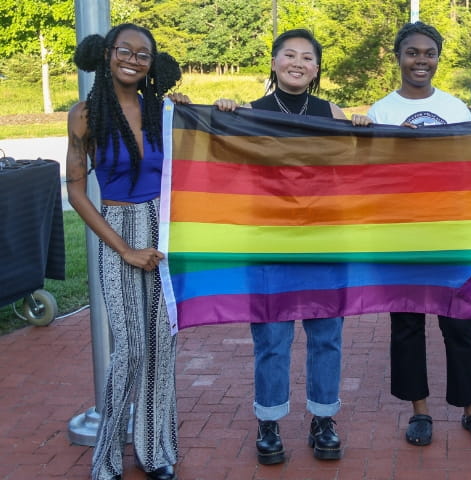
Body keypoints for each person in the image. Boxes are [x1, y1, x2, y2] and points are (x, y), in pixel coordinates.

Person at [214, 28, 368, 465]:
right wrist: (219, 113)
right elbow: (220, 163)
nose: (298, 62)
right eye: (289, 55)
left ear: (317, 68)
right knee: (272, 339)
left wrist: (360, 130)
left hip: (325, 241)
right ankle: (269, 421)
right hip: (268, 243)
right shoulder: (250, 112)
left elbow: (361, 170)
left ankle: (323, 419)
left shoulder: (332, 113)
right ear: (276, 61)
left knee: (326, 337)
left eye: (307, 57)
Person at [366, 21, 471, 447]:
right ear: (398, 57)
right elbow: (367, 172)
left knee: (459, 322)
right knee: (407, 322)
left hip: (450, 231)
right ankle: (418, 412)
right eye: (412, 53)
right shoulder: (381, 111)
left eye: (429, 53)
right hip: (400, 233)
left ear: (438, 58)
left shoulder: (457, 108)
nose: (421, 60)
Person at [66, 23, 189, 480]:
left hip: (164, 232)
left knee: (162, 346)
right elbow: (77, 191)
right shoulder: (84, 115)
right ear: (107, 54)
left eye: (144, 54)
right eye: (125, 50)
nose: (133, 60)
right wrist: (126, 249)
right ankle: (107, 458)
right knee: (131, 348)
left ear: (152, 64)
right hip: (118, 230)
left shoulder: (164, 112)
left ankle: (154, 451)